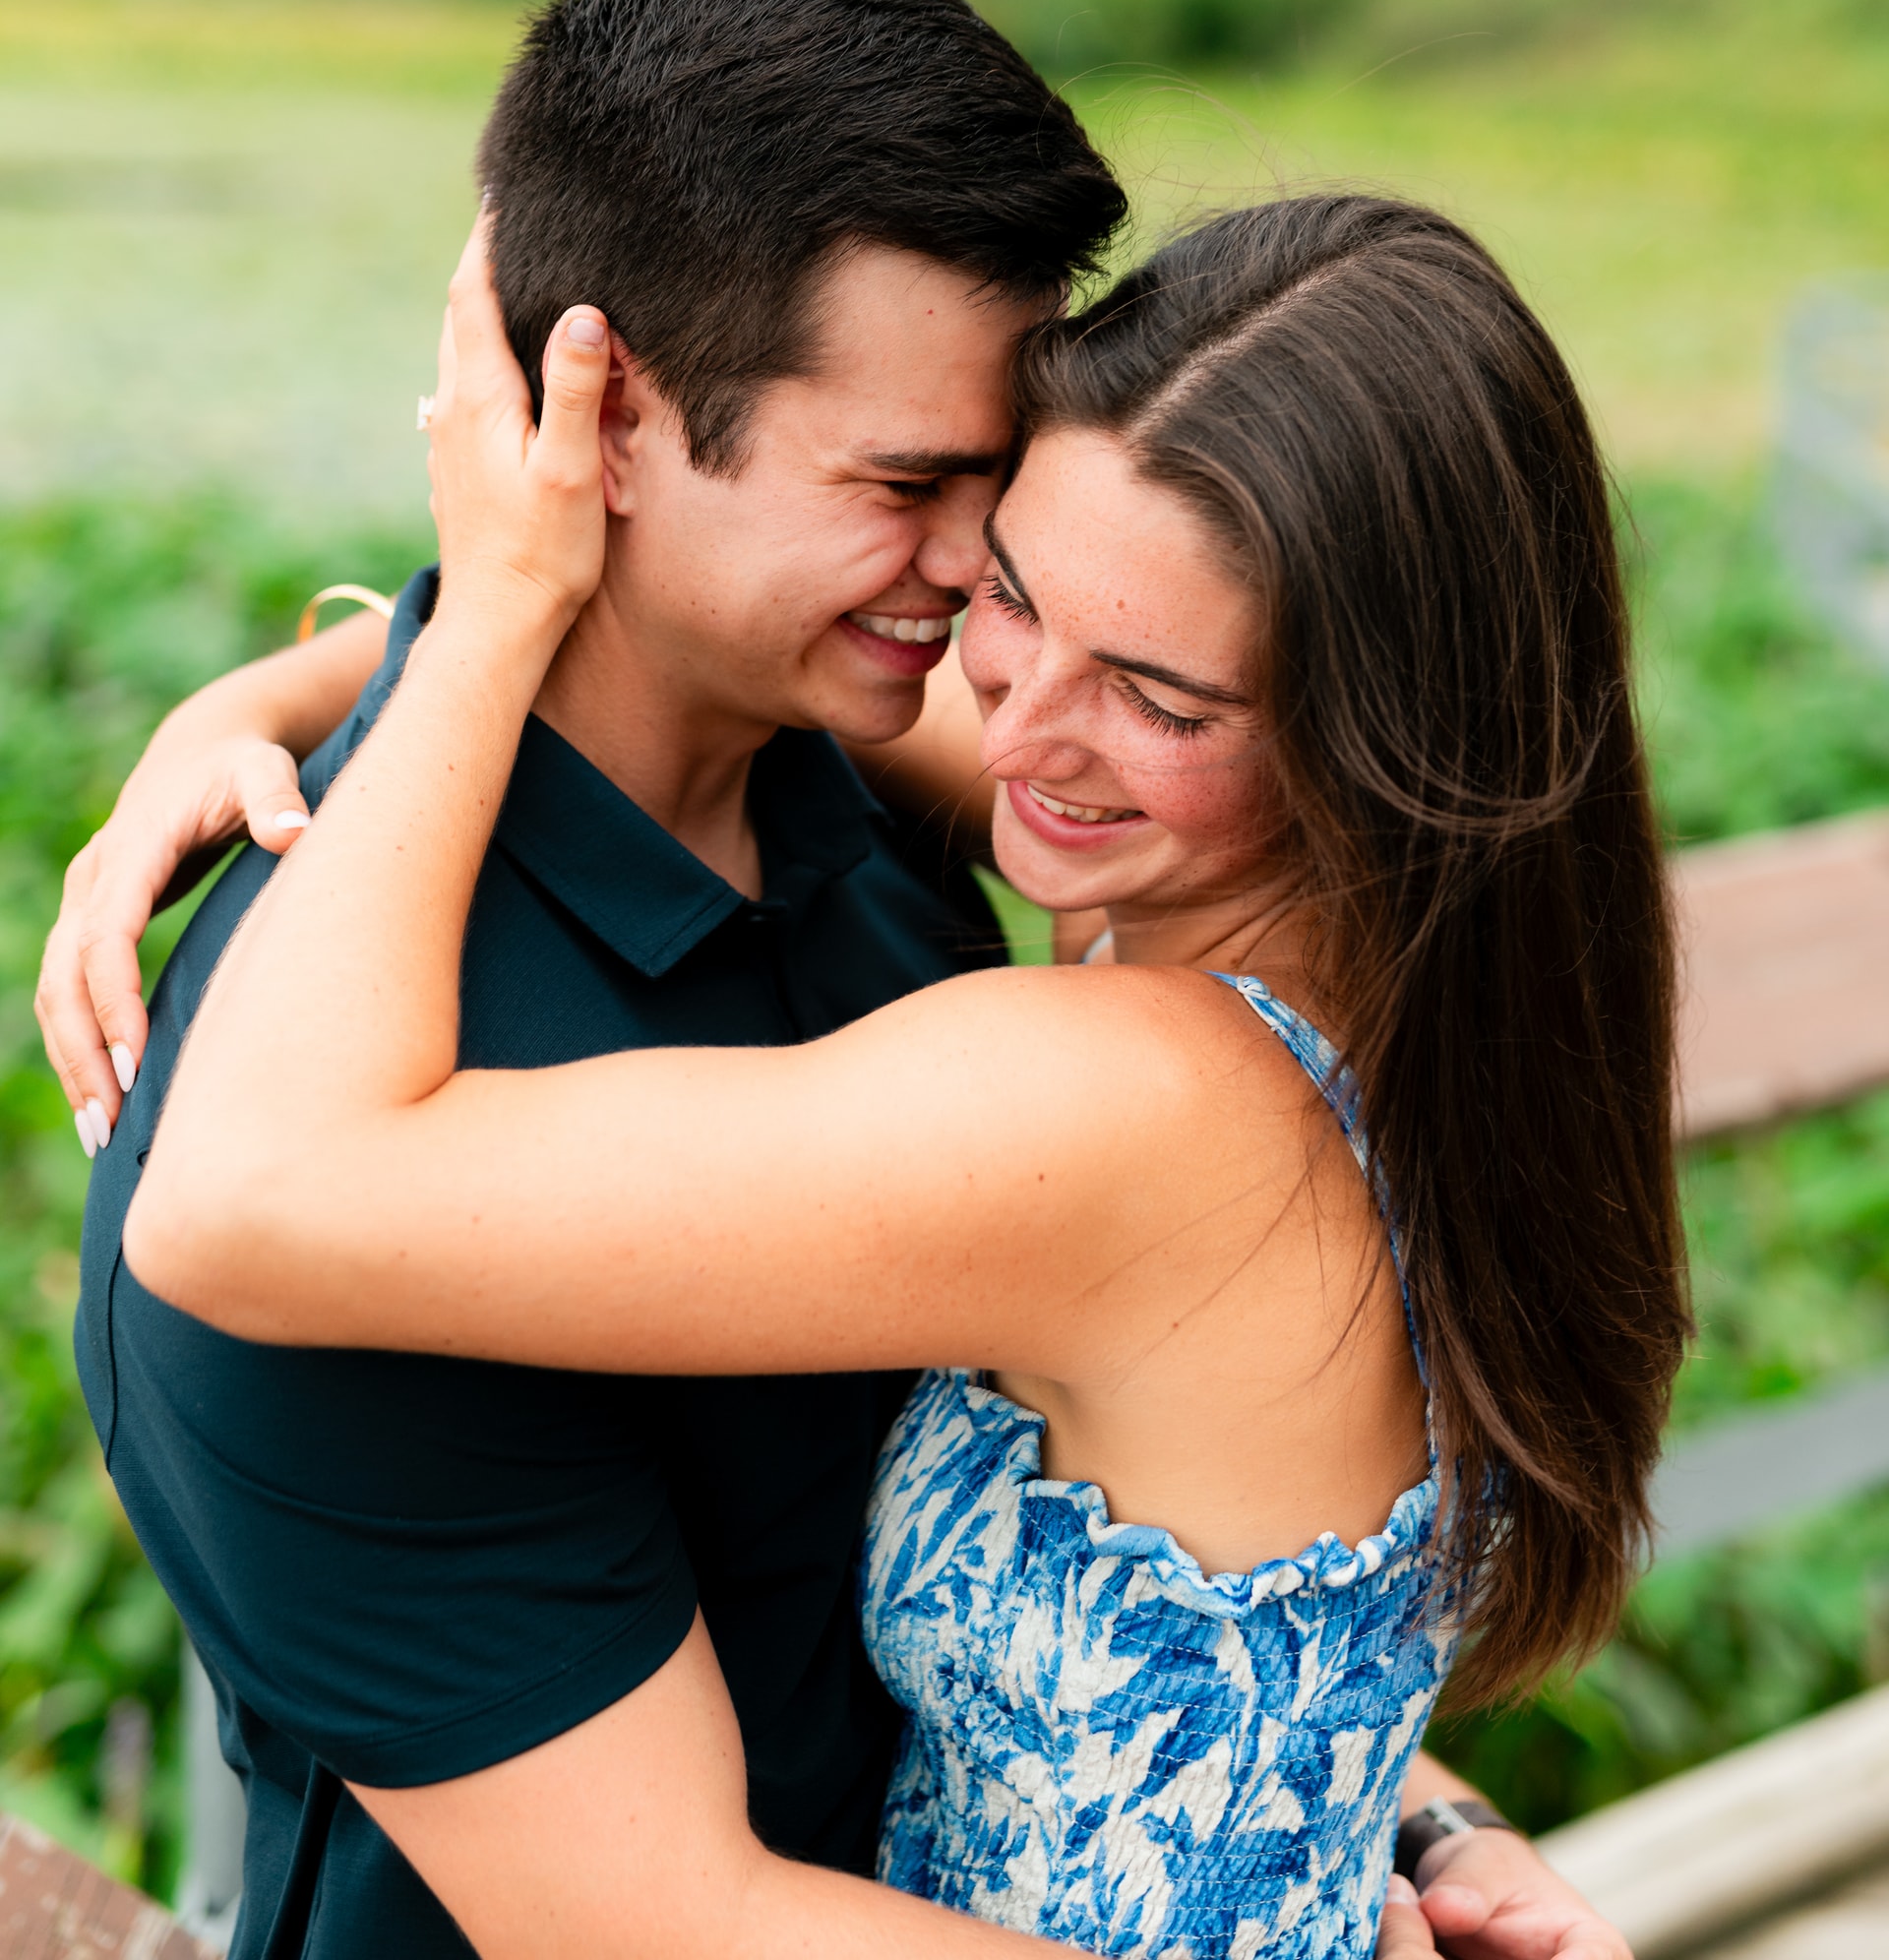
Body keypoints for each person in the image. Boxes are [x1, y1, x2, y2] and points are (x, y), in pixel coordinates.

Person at [117, 184, 1686, 1955]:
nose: (1014, 722)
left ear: (1385, 735)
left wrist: (493, 599)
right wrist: (262, 704)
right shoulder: (1433, 989)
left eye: (1159, 699)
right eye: (1006, 588)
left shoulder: (1124, 1103)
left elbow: (251, 1198)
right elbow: (735, 658)